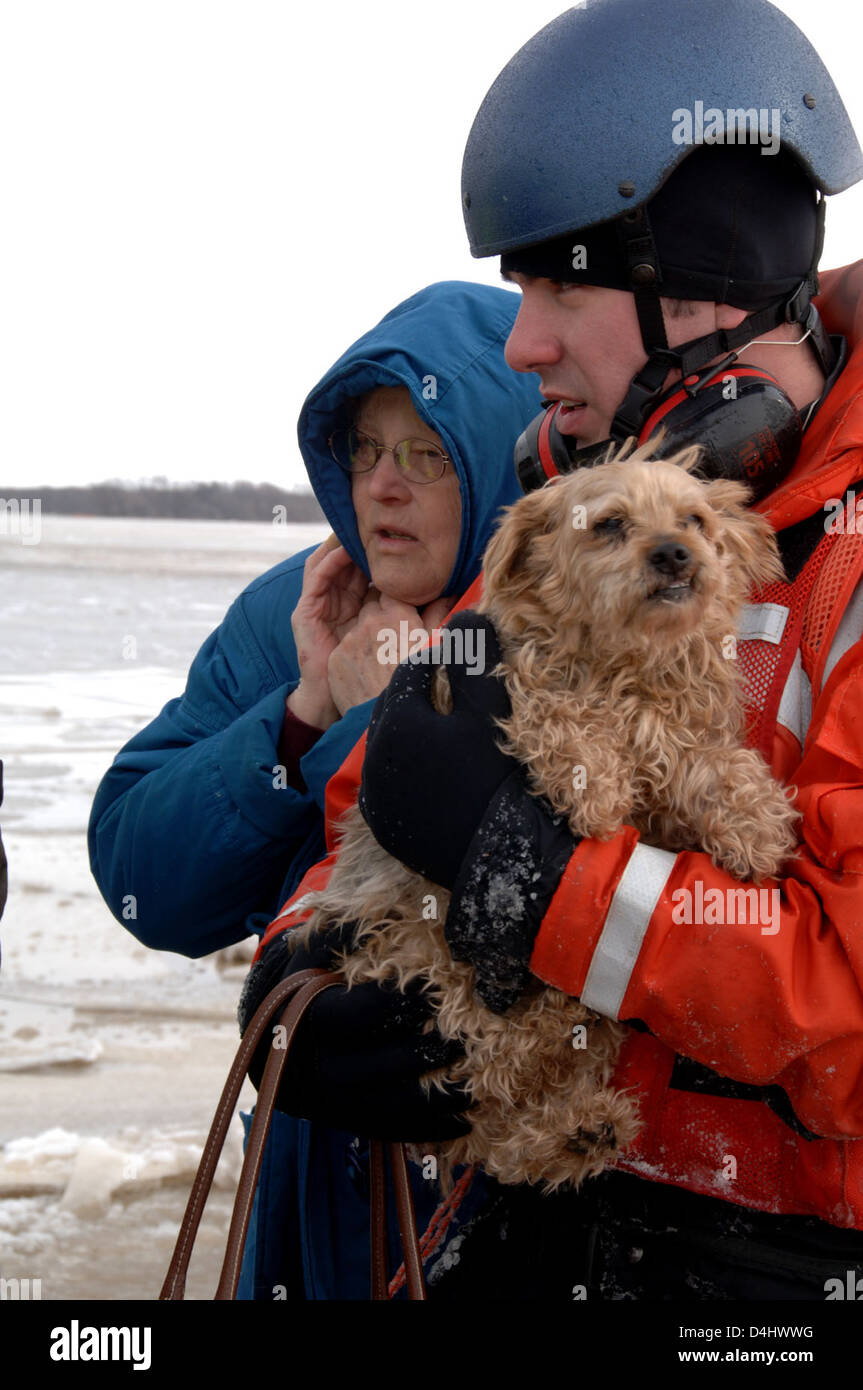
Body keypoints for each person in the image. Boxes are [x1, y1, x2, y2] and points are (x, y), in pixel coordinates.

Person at [245, 0, 863, 1299]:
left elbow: (843, 1003)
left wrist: (534, 882)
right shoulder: (569, 525)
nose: (519, 339)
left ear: (702, 288)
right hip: (548, 1217)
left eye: (559, 283)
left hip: (785, 1271)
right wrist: (305, 959)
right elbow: (381, 806)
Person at [87, 279, 543, 1298]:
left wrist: (413, 732)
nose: (384, 486)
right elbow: (141, 880)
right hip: (302, 1177)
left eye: (424, 454)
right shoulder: (299, 605)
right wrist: (302, 715)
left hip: (501, 1184)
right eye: (366, 451)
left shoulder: (568, 626)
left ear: (501, 458)